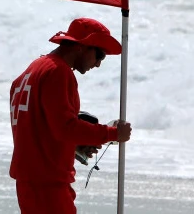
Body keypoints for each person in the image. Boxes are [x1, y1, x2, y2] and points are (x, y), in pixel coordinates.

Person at [9, 18, 132, 213]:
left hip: (29, 180)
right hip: (48, 183)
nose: (98, 64)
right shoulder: (59, 72)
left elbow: (38, 128)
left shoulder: (30, 72)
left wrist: (73, 145)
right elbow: (65, 128)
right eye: (99, 55)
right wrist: (113, 133)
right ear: (82, 46)